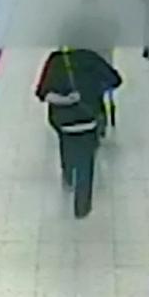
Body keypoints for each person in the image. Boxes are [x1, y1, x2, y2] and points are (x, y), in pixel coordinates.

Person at [35, 48, 122, 218]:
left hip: (62, 122)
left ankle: (68, 175)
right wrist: (96, 90)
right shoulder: (93, 57)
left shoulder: (56, 60)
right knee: (86, 162)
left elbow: (43, 94)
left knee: (66, 144)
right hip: (88, 119)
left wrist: (66, 101)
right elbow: (116, 80)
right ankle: (82, 208)